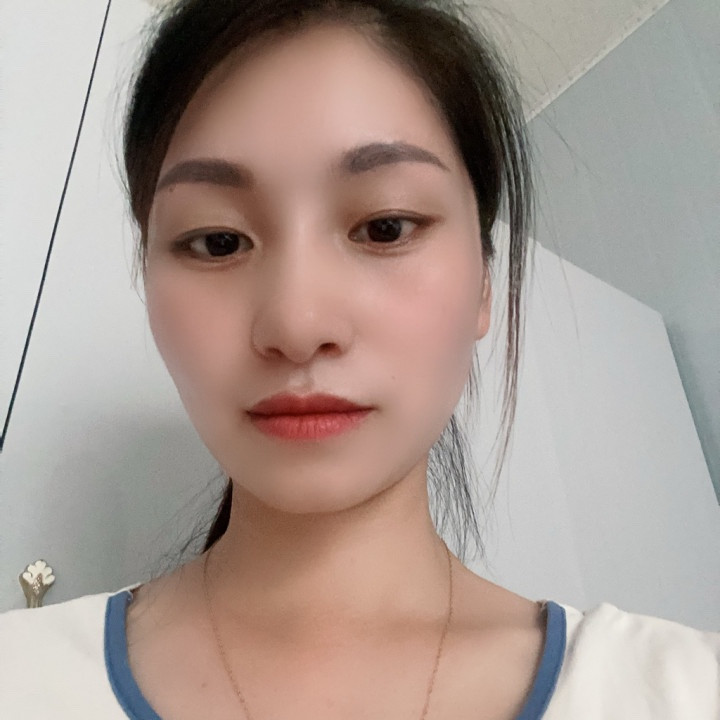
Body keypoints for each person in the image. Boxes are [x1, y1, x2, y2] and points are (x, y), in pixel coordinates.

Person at [1, 1, 718, 718]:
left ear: (483, 283)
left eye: (385, 227)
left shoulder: (683, 689)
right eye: (219, 241)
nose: (297, 325)